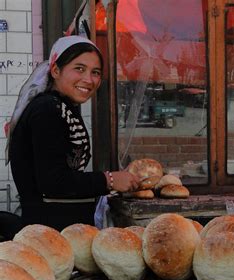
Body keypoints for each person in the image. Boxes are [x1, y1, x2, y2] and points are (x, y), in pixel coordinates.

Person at [6, 36, 140, 231]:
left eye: (95, 72)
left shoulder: (62, 107)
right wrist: (109, 180)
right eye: (79, 68)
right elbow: (53, 182)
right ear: (55, 70)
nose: (88, 79)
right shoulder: (47, 109)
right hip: (48, 234)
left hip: (63, 230)